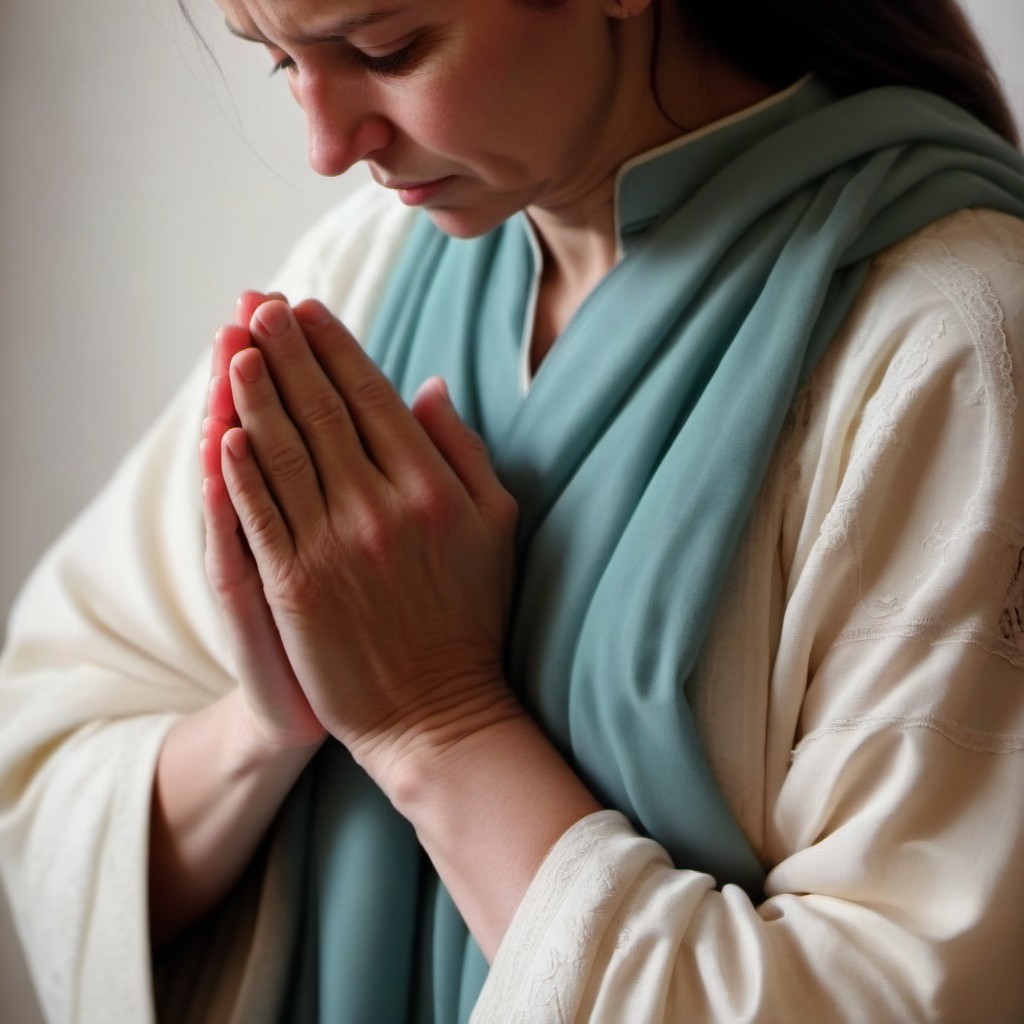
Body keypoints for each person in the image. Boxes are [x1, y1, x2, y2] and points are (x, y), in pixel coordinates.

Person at [2, 0, 1024, 1020]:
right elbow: (50, 757)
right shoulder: (361, 275)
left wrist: (432, 720)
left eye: (383, 50)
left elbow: (897, 994)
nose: (323, 148)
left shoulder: (954, 353)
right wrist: (269, 726)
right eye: (278, 65)